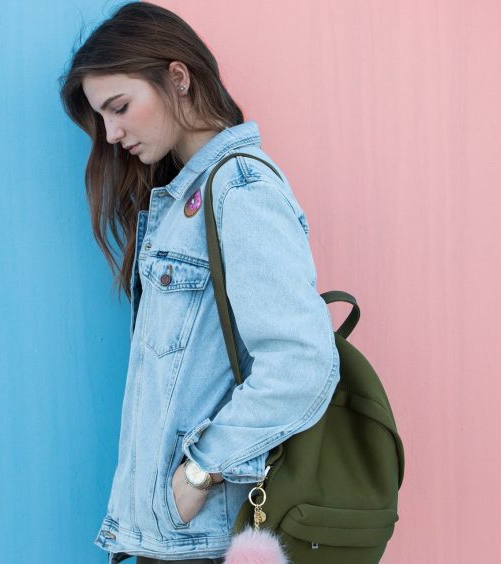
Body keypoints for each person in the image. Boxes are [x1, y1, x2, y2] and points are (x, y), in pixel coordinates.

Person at [59, 3, 340, 562]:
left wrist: (200, 470)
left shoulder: (239, 190)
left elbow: (302, 362)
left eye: (119, 107)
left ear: (177, 77)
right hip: (170, 538)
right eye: (102, 118)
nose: (112, 134)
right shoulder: (181, 202)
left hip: (206, 540)